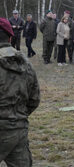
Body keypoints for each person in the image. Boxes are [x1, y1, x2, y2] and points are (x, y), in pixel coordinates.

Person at [0, 17, 40, 167]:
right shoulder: (25, 63)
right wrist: (15, 116)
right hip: (18, 129)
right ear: (10, 37)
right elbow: (34, 99)